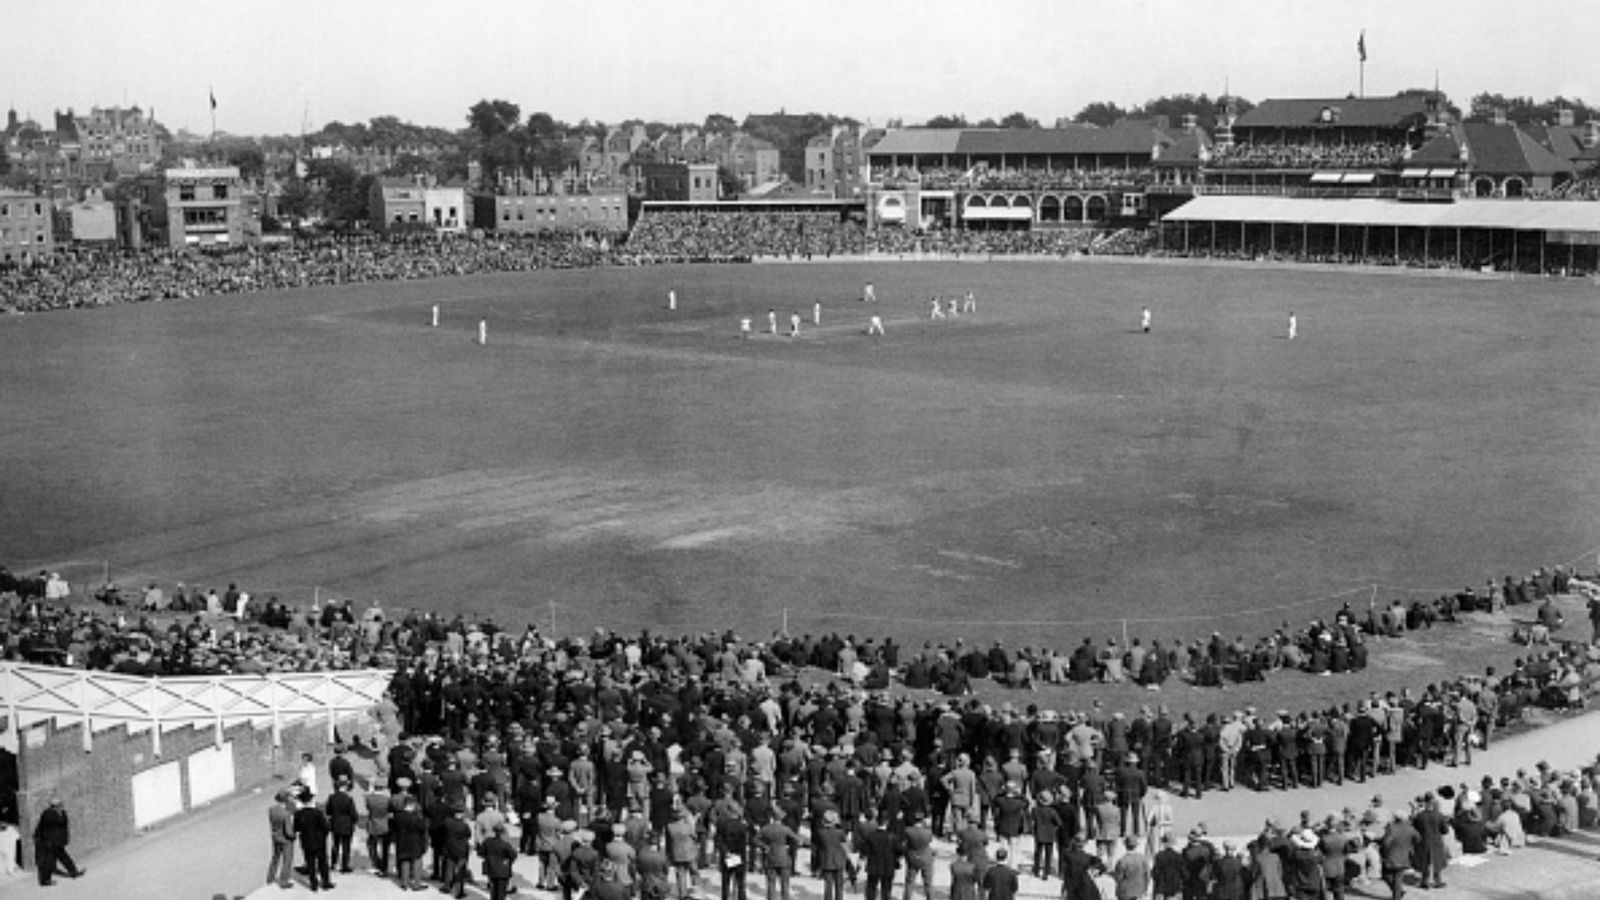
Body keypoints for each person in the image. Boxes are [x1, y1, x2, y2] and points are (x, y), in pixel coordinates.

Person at [293, 788, 334, 891]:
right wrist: (325, 832)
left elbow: (296, 828)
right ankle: (325, 882)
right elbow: (325, 827)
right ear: (311, 800)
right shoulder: (317, 813)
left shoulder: (298, 814)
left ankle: (313, 884)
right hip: (319, 840)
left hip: (306, 841)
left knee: (310, 863)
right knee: (323, 862)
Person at [326, 777, 360, 874]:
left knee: (335, 844)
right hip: (347, 824)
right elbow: (353, 814)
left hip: (335, 823)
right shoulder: (349, 799)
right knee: (346, 846)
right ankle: (344, 866)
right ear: (345, 786)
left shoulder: (332, 797)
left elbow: (328, 811)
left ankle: (333, 863)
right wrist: (355, 820)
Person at [480, 822, 519, 900]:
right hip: (503, 870)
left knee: (493, 889)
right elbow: (513, 855)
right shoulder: (505, 844)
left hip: (491, 869)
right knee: (501, 891)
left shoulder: (487, 842)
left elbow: (481, 853)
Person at [267, 789, 297, 889]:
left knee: (275, 857)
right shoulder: (286, 814)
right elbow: (288, 831)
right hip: (285, 840)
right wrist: (293, 836)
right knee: (287, 859)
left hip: (275, 836)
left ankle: (270, 877)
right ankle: (284, 880)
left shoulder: (271, 809)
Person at [365, 783, 393, 876]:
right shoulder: (387, 800)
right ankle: (384, 866)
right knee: (385, 847)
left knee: (372, 845)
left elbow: (368, 808)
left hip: (373, 823)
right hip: (385, 824)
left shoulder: (369, 798)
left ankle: (376, 863)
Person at [1112, 835, 1150, 900]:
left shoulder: (1122, 860)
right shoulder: (1143, 859)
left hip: (1125, 892)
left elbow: (1118, 878)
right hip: (1139, 891)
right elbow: (1147, 876)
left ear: (1125, 846)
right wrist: (1145, 888)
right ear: (1136, 846)